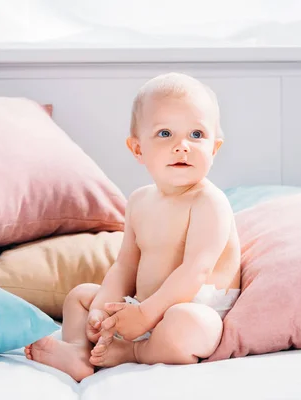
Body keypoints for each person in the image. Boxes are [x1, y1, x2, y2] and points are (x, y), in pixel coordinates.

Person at [24, 72, 241, 382]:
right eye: (165, 134)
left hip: (190, 306)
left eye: (196, 135)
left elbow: (196, 271)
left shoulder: (209, 202)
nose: (182, 146)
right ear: (138, 149)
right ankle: (78, 351)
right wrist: (101, 310)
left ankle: (133, 353)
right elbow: (125, 266)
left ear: (214, 148)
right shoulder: (139, 201)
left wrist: (147, 315)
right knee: (81, 296)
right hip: (140, 306)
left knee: (190, 324)